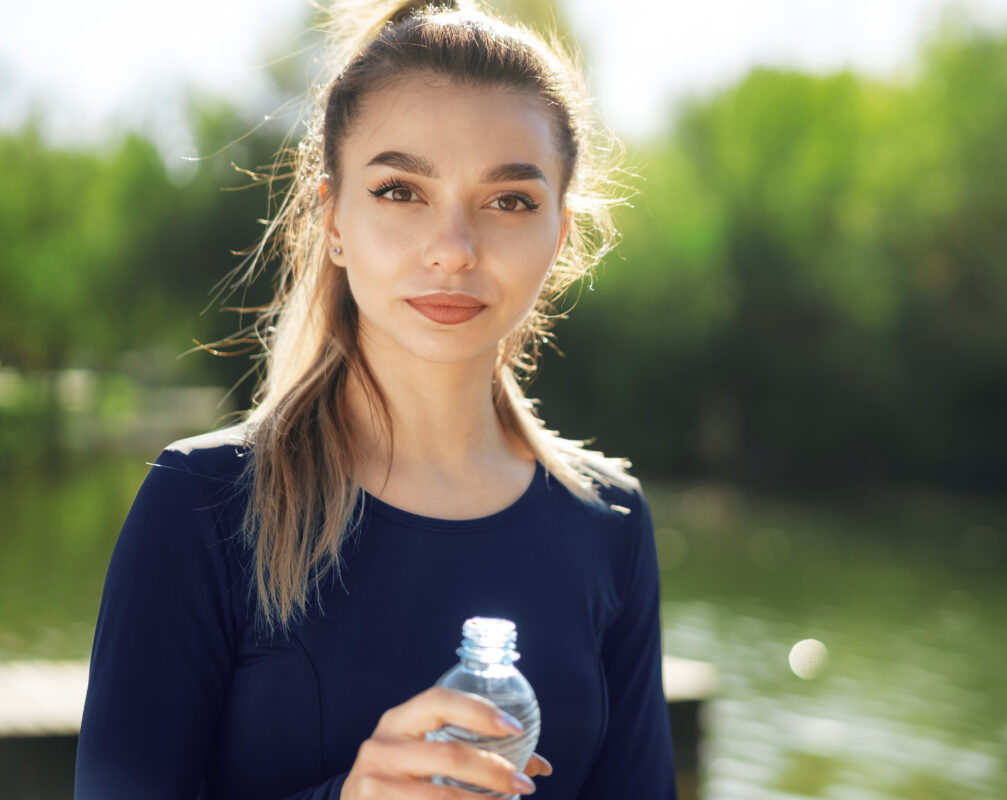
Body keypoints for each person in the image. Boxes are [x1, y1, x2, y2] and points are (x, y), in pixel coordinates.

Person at [74, 1, 677, 797]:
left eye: (509, 201)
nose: (453, 250)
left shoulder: (611, 526)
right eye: (401, 191)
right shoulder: (203, 507)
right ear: (331, 220)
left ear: (560, 238)